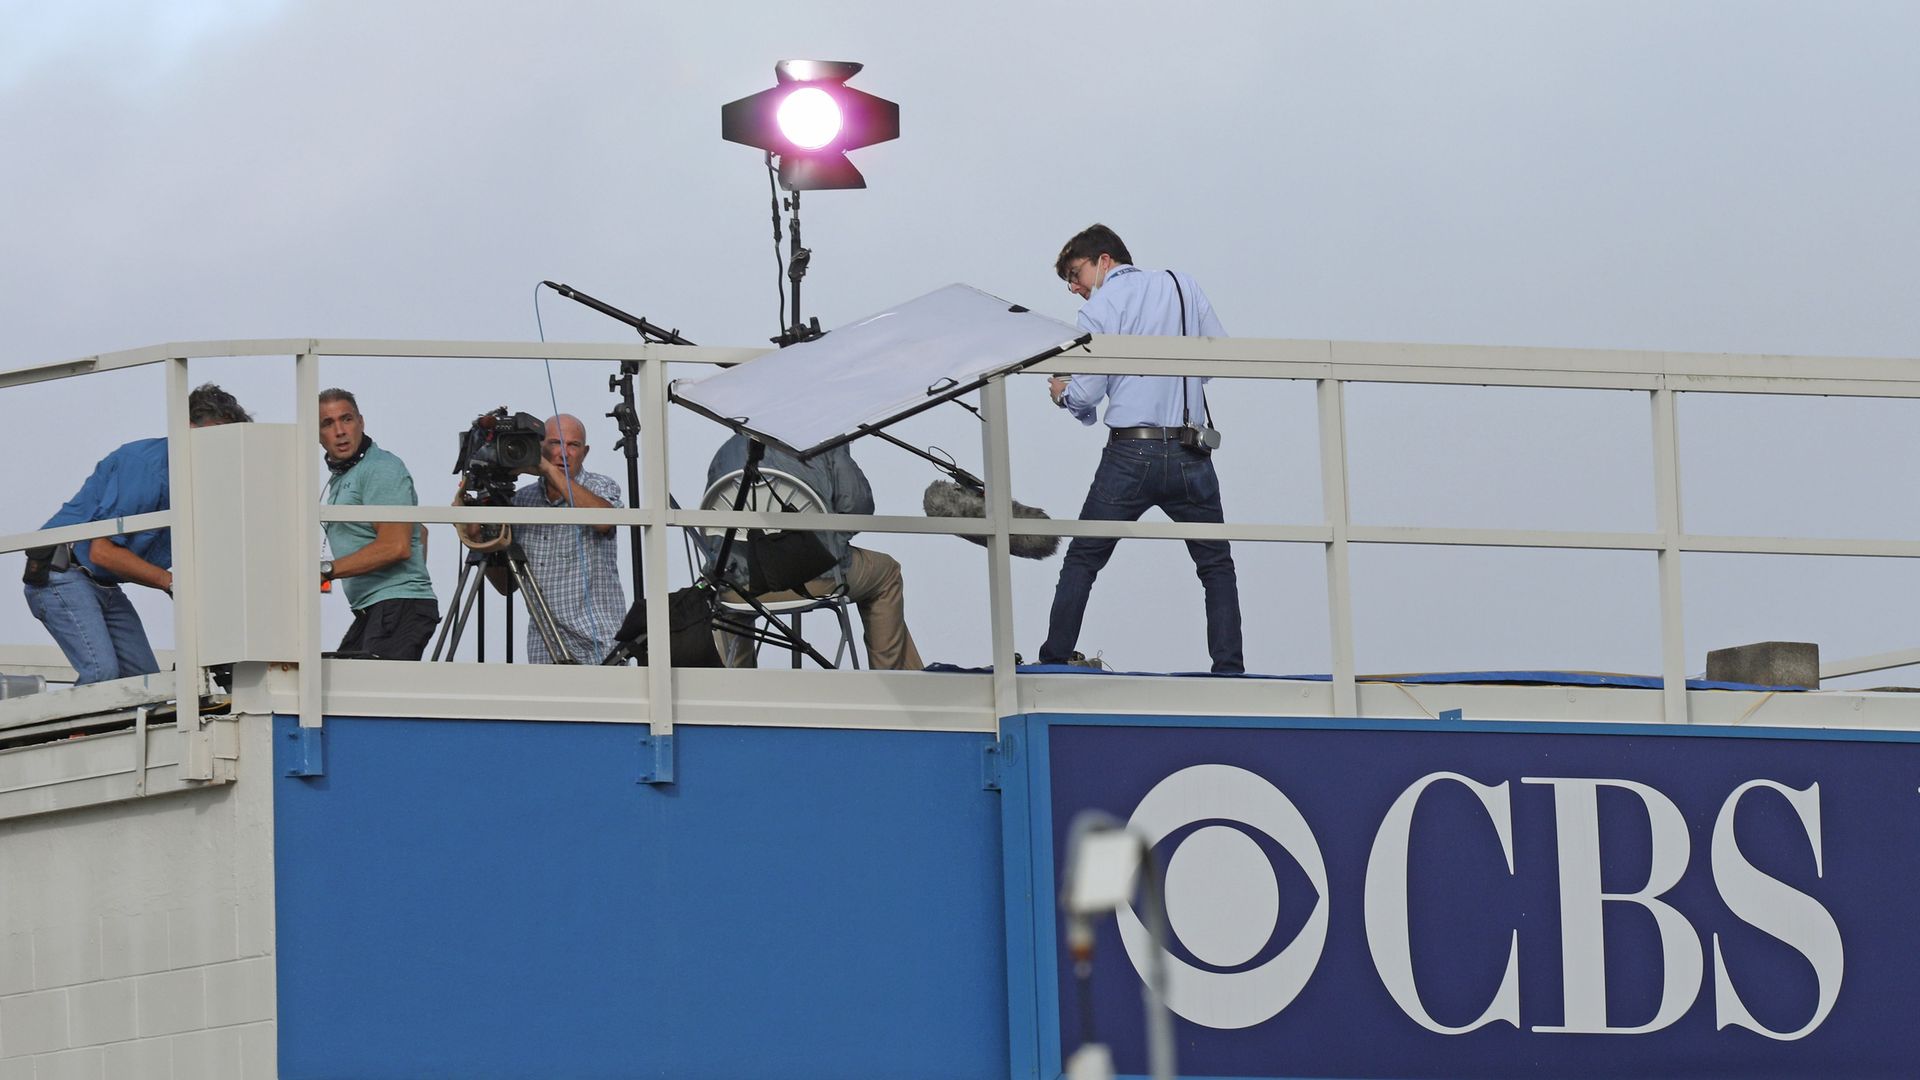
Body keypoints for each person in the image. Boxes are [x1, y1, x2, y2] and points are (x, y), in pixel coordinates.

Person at [1041, 223, 1244, 673]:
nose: (1074, 288)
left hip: (1131, 453)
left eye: (1076, 274)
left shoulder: (1101, 307)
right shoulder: (1181, 285)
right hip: (1190, 451)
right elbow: (1219, 357)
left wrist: (1062, 392)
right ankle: (1229, 669)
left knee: (1083, 559)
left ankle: (1053, 663)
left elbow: (1088, 393)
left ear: (1105, 261)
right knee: (1215, 565)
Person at [24, 383, 253, 684]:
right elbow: (102, 552)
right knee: (101, 674)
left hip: (103, 584)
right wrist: (171, 583)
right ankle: (61, 733)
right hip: (62, 574)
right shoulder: (147, 466)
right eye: (215, 436)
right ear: (187, 428)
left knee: (143, 683)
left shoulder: (200, 483)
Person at [706, 434, 922, 670]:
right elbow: (858, 509)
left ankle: (734, 689)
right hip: (817, 578)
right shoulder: (823, 443)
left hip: (743, 590)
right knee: (887, 573)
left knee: (726, 599)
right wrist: (828, 543)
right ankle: (894, 683)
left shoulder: (726, 451)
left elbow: (714, 532)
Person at [477, 414, 627, 664]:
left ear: (585, 452)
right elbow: (506, 585)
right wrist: (479, 538)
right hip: (545, 645)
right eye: (555, 443)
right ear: (540, 446)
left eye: (573, 445)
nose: (564, 453)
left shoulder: (600, 486)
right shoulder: (522, 500)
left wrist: (545, 468)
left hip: (599, 641)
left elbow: (603, 520)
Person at [318, 388, 440, 659]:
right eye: (328, 423)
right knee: (338, 687)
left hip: (395, 606)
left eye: (346, 419)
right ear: (318, 435)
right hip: (377, 608)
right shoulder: (345, 475)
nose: (339, 430)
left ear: (361, 422)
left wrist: (326, 571)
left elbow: (397, 546)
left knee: (362, 696)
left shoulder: (380, 467)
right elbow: (420, 532)